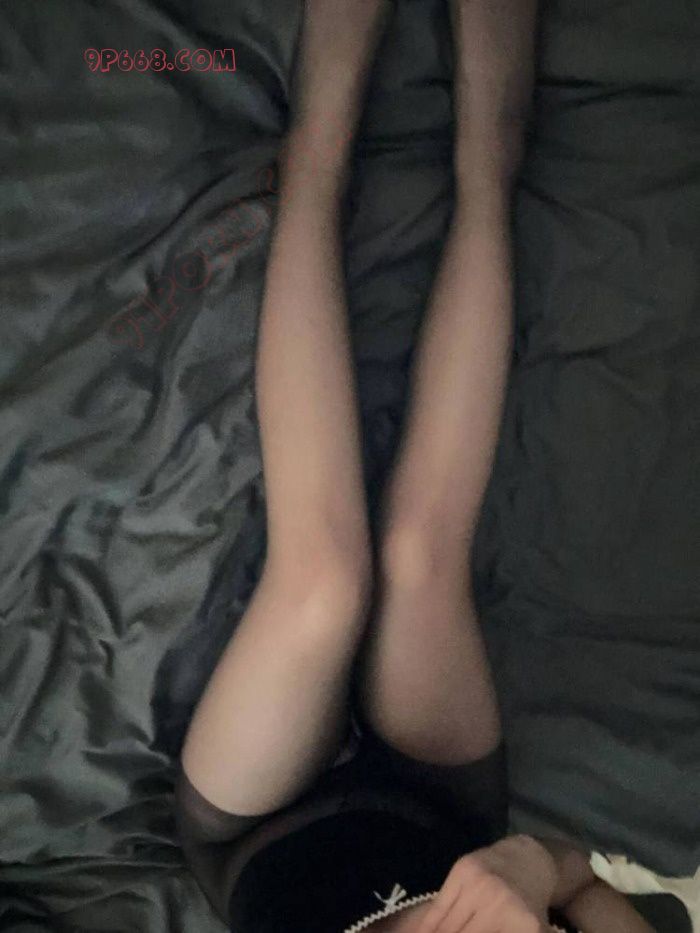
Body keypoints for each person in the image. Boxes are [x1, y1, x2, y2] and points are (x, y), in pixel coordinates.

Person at [173, 2, 656, 930]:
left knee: (323, 583)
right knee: (420, 556)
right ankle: (488, 154)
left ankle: (317, 151)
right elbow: (583, 875)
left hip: (259, 835)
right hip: (438, 812)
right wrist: (530, 868)